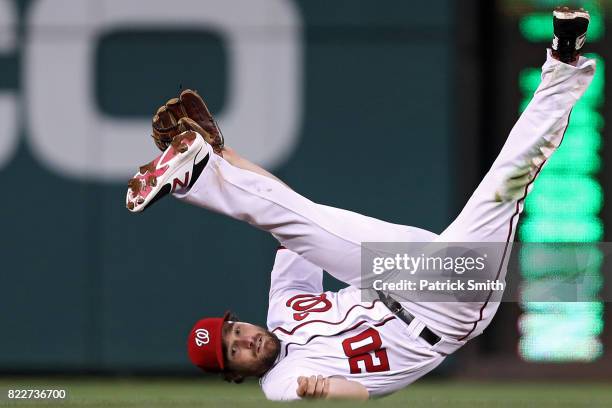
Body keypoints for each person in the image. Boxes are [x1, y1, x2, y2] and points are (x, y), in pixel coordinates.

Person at [125, 8, 594, 401]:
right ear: (235, 373)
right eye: (234, 351)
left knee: (299, 224)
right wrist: (325, 391)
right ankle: (563, 67)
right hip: (445, 311)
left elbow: (295, 213)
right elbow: (359, 394)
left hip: (400, 268)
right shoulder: (281, 382)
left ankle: (208, 165)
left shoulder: (283, 309)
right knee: (505, 184)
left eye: (233, 330)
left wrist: (229, 153)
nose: (243, 339)